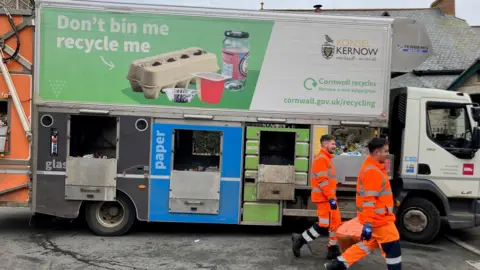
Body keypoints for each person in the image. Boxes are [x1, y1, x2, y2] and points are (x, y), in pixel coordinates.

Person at [324, 137, 401, 270]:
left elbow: (375, 195)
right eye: (385, 151)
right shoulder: (373, 171)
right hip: (380, 221)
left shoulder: (373, 167)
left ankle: (338, 264)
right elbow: (369, 201)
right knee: (393, 249)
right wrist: (368, 224)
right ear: (377, 152)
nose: (387, 155)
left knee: (367, 245)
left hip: (377, 219)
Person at [291, 134, 341, 260]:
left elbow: (326, 180)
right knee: (325, 224)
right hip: (325, 198)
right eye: (332, 144)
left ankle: (332, 249)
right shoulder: (322, 159)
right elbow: (323, 181)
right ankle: (300, 239)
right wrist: (331, 197)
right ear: (325, 144)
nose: (335, 146)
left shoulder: (326, 158)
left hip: (327, 197)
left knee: (334, 223)